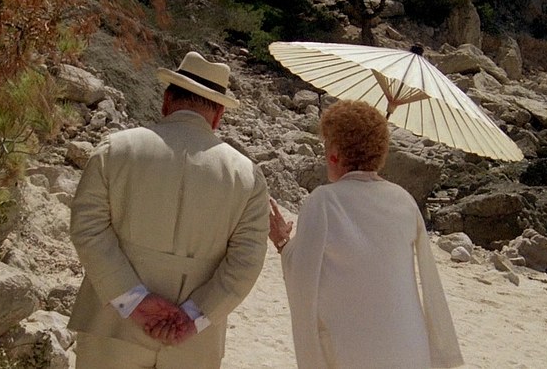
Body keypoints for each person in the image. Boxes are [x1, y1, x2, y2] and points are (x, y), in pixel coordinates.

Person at [68, 51, 270, 369]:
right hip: (193, 344)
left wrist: (133, 300)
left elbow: (87, 229)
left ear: (166, 100)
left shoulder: (115, 149)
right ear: (218, 114)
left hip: (111, 327)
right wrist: (193, 316)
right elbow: (246, 263)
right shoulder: (247, 176)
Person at [268, 99, 464, 368]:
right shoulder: (404, 201)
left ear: (334, 153)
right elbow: (428, 277)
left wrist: (282, 242)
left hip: (351, 348)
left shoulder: (323, 201)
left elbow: (302, 277)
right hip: (408, 346)